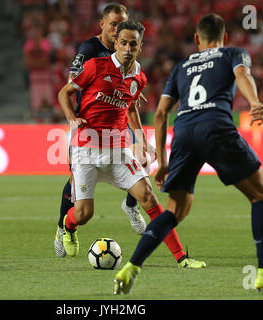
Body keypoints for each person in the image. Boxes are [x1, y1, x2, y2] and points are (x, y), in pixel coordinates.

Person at [114, 13, 263, 295]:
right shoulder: (232, 53)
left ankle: (131, 267)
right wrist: (254, 102)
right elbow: (242, 74)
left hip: (185, 130)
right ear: (224, 38)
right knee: (261, 194)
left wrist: (162, 162)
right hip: (216, 126)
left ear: (197, 39)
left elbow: (162, 113)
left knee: (175, 211)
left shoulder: (181, 67)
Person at [57, 20, 206, 271]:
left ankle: (182, 258)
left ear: (140, 46)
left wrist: (140, 140)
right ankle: (67, 227)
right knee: (83, 214)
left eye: (133, 44)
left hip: (118, 147)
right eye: (123, 43)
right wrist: (72, 118)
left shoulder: (139, 77)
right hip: (87, 147)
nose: (127, 48)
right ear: (115, 43)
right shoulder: (95, 66)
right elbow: (64, 92)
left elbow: (131, 106)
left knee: (149, 197)